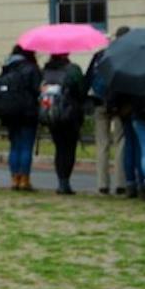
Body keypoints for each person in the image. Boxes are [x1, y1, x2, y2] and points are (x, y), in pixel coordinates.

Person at [87, 26, 130, 195]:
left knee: (102, 143)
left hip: (99, 102)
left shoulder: (100, 55)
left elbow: (89, 78)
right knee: (120, 142)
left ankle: (102, 184)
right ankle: (121, 183)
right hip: (120, 104)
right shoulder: (128, 56)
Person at [0, 44, 42, 191]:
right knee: (26, 145)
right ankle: (24, 179)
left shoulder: (7, 68)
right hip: (28, 112)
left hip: (10, 112)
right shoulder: (31, 68)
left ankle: (14, 178)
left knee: (14, 145)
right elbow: (37, 90)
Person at [40, 52, 86, 195]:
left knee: (59, 148)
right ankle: (65, 182)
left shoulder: (46, 71)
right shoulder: (73, 70)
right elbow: (81, 91)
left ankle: (61, 181)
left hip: (51, 113)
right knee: (69, 148)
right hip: (70, 114)